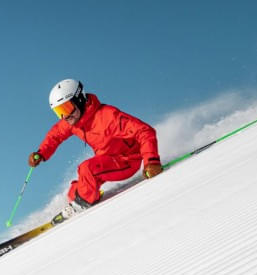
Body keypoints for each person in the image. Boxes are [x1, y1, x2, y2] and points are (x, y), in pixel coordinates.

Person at [28, 79, 162, 218]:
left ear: (79, 99)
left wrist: (151, 161)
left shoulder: (108, 116)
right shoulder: (74, 121)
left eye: (66, 108)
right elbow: (55, 135)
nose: (65, 116)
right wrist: (41, 153)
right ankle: (82, 199)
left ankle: (82, 205)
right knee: (74, 191)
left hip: (126, 160)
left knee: (86, 169)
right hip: (105, 160)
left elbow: (144, 131)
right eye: (59, 112)